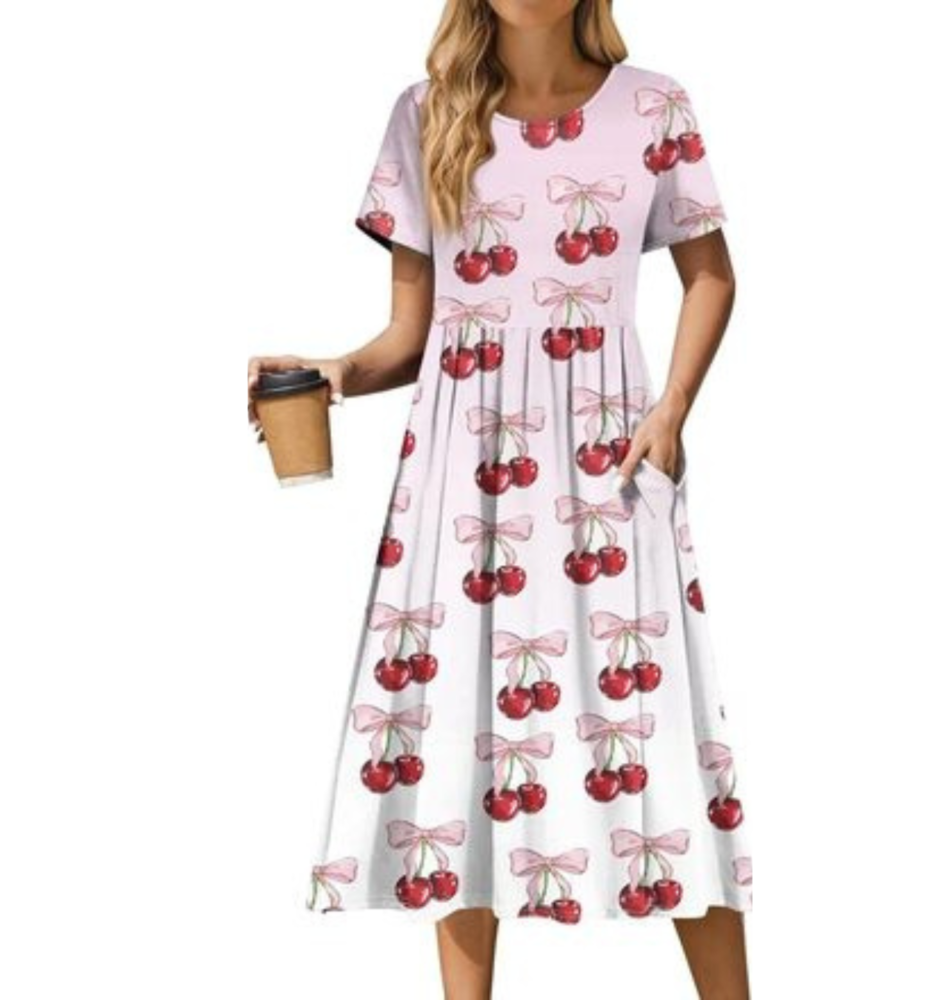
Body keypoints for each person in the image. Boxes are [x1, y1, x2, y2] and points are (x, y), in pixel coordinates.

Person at [247, 2, 752, 996]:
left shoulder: (654, 107)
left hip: (610, 455)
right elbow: (413, 335)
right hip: (462, 469)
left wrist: (671, 409)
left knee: (660, 731)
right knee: (460, 732)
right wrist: (335, 373)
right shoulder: (426, 113)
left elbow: (711, 276)